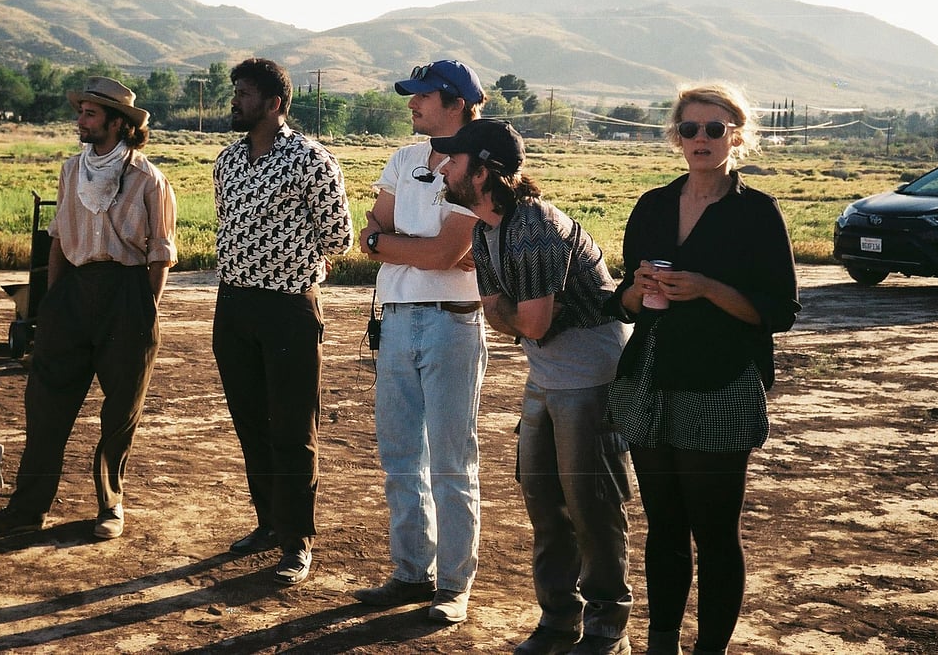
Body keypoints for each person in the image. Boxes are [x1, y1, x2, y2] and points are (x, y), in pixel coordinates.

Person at [604, 84, 800, 655]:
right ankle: (661, 644)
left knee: (715, 534)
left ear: (736, 135)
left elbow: (779, 312)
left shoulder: (756, 213)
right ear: (676, 137)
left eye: (715, 129)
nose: (701, 140)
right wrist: (638, 294)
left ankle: (709, 650)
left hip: (719, 382)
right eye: (690, 129)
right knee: (663, 526)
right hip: (649, 379)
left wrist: (709, 289)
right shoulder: (654, 205)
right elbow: (623, 304)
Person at [436, 119, 634, 655]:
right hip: (548, 375)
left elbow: (532, 323)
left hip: (588, 377)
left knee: (591, 506)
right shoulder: (485, 229)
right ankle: (559, 621)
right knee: (544, 501)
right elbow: (506, 313)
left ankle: (606, 628)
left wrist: (505, 311)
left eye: (453, 161)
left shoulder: (535, 227)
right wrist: (507, 312)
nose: (442, 168)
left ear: (483, 171)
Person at [0, 76, 177, 541]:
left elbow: (160, 254)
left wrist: (144, 311)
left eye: (90, 114)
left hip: (127, 295)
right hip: (72, 293)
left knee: (120, 412)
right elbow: (56, 238)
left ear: (117, 122)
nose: (80, 120)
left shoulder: (148, 177)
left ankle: (110, 505)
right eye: (82, 112)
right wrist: (51, 303)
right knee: (45, 405)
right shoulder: (72, 170)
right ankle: (28, 509)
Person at [353, 60, 488, 625]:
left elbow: (446, 255)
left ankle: (454, 585)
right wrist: (396, 242)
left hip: (453, 319)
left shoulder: (477, 164)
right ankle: (412, 571)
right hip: (400, 316)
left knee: (451, 460)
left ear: (454, 101)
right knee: (400, 455)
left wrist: (389, 242)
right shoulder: (406, 159)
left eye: (421, 96)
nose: (411, 105)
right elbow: (369, 233)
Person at [212, 57, 353, 586]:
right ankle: (268, 522)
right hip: (234, 305)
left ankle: (297, 540)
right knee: (251, 422)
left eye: (245, 94)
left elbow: (338, 236)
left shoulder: (313, 161)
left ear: (273, 103)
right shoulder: (227, 162)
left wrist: (290, 260)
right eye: (237, 92)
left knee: (293, 427)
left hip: (290, 306)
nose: (236, 101)